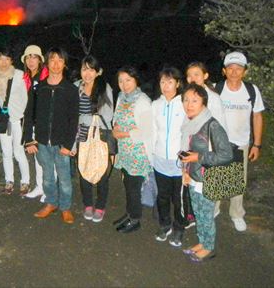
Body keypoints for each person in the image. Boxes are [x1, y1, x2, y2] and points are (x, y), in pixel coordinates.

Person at [23, 47, 79, 224]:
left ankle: (66, 207)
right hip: (41, 142)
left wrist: (68, 145)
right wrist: (28, 140)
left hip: (61, 142)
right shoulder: (39, 87)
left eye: (60, 60)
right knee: (47, 177)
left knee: (64, 179)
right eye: (52, 60)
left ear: (65, 64)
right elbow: (29, 113)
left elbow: (73, 119)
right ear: (46, 63)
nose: (56, 64)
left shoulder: (70, 89)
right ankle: (51, 203)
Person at [180, 83, 233, 262]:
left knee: (206, 215)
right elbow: (188, 151)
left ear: (204, 102)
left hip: (209, 178)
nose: (189, 104)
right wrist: (186, 171)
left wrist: (199, 157)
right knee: (199, 213)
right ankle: (202, 242)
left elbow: (226, 154)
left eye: (194, 100)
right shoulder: (189, 123)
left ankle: (208, 247)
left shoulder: (212, 125)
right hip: (195, 177)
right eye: (186, 100)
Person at [215, 52, 265, 232]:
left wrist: (257, 144)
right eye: (230, 68)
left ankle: (236, 214)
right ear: (224, 71)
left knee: (238, 182)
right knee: (216, 178)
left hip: (242, 143)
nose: (234, 72)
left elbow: (257, 116)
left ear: (244, 71)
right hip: (219, 143)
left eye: (238, 68)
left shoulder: (251, 90)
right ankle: (213, 210)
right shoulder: (217, 89)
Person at [151, 67, 189, 246]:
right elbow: (151, 131)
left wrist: (186, 157)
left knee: (179, 197)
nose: (166, 86)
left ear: (178, 83)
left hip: (179, 160)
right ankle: (165, 224)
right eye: (163, 82)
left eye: (170, 82)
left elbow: (189, 133)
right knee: (163, 196)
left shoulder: (184, 104)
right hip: (159, 158)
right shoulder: (155, 105)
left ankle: (179, 228)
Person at [74, 55, 114, 223]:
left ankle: (100, 206)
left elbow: (108, 114)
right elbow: (71, 114)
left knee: (102, 172)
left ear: (98, 72)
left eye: (91, 70)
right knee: (83, 171)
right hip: (81, 137)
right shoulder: (76, 87)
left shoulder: (104, 87)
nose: (87, 73)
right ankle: (88, 204)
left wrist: (84, 119)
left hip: (100, 137)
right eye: (85, 69)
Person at [112, 66, 152, 233]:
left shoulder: (142, 101)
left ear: (136, 80)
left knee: (134, 188)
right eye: (121, 81)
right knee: (128, 184)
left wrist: (123, 134)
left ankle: (135, 220)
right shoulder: (122, 97)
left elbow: (147, 130)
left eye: (128, 80)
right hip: (125, 150)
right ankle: (129, 214)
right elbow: (116, 116)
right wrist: (115, 126)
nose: (124, 84)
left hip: (138, 152)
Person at [0, 47, 30, 196]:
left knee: (19, 151)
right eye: (0, 59)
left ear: (12, 60)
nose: (3, 62)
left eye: (7, 59)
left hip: (17, 118)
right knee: (6, 152)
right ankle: (9, 180)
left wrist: (20, 114)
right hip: (2, 119)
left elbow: (25, 97)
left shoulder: (19, 75)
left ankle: (25, 181)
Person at [21, 45, 49, 201]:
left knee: (47, 159)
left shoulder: (45, 78)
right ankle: (39, 186)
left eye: (34, 57)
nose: (31, 61)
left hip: (43, 124)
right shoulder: (26, 78)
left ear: (40, 60)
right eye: (28, 57)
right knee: (38, 158)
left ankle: (48, 189)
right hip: (31, 122)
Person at [185, 61, 227, 129]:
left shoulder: (214, 98)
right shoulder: (183, 97)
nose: (193, 79)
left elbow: (221, 125)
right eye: (189, 75)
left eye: (196, 75)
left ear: (205, 76)